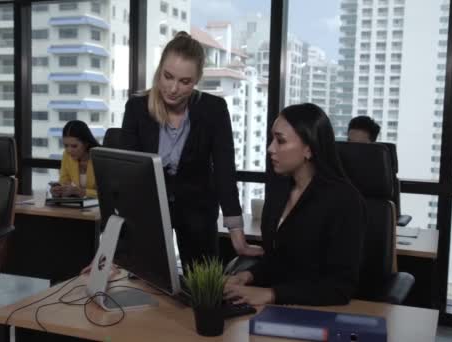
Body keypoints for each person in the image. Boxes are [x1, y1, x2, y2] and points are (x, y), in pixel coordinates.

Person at [119, 31, 262, 268]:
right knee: (147, 284)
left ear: (196, 81)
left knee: (203, 289)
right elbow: (126, 173)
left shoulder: (214, 110)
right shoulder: (136, 109)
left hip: (198, 212)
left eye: (184, 82)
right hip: (149, 212)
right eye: (167, 76)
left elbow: (225, 171)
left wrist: (237, 234)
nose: (173, 88)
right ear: (159, 72)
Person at [224, 103, 366, 306]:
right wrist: (247, 276)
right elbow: (279, 260)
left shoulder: (344, 201)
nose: (270, 148)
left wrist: (272, 294)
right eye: (272, 139)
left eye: (280, 141)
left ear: (309, 149)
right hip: (274, 310)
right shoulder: (280, 189)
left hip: (316, 313)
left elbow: (339, 288)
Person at [50, 120, 100, 198]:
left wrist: (81, 192)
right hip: (77, 206)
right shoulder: (66, 155)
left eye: (74, 146)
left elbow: (109, 194)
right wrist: (59, 190)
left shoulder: (100, 157)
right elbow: (64, 182)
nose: (69, 150)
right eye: (66, 145)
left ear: (86, 143)